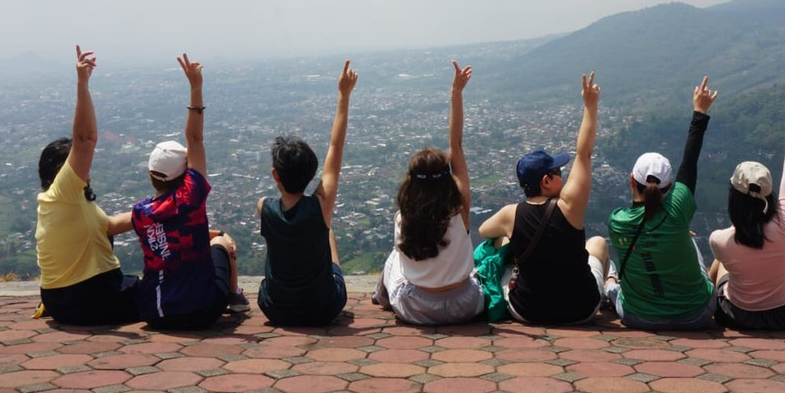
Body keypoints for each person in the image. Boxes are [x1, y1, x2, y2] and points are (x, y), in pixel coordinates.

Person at [478, 71, 609, 325]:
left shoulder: (510, 214)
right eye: (558, 172)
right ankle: (610, 288)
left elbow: (484, 231)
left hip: (528, 311)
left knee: (502, 244)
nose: (563, 175)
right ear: (546, 181)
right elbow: (584, 153)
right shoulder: (569, 206)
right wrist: (590, 106)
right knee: (598, 244)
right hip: (581, 310)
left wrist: (510, 236)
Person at [131, 54, 249, 329]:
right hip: (201, 310)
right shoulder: (190, 198)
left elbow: (169, 234)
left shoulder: (139, 214)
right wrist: (196, 87)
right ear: (184, 174)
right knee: (221, 243)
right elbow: (195, 139)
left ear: (150, 174)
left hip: (154, 312)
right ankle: (235, 297)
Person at [34, 46, 139, 325]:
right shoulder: (64, 190)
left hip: (60, 301)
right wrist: (83, 84)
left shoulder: (62, 202)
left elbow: (109, 226)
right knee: (165, 292)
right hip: (91, 297)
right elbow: (84, 140)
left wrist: (157, 209)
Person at [605, 76, 719, 330]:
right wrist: (700, 112)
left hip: (639, 317)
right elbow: (689, 162)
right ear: (669, 188)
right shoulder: (677, 209)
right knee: (687, 237)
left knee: (613, 277)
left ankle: (610, 283)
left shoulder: (618, 221)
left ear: (631, 180)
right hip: (696, 315)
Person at [376, 61, 485, 325]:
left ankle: (380, 297)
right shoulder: (460, 208)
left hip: (417, 309)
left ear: (411, 181)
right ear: (447, 178)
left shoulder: (404, 218)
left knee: (394, 258)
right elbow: (456, 145)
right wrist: (456, 94)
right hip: (466, 305)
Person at [257, 60, 357, 326]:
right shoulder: (320, 207)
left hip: (275, 309)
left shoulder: (263, 207)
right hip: (322, 308)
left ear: (275, 175)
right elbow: (335, 147)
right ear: (312, 176)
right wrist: (344, 95)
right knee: (327, 231)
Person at [708, 88, 785, 330]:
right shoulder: (784, 223)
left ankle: (706, 305)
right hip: (781, 316)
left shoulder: (720, 239)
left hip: (738, 316)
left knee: (721, 262)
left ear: (734, 197)